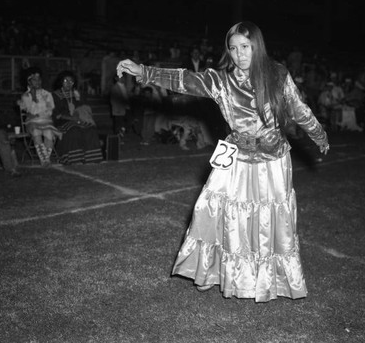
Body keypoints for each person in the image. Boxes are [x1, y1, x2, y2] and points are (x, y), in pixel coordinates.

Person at [117, 21, 329, 303]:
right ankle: (209, 270)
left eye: (245, 47)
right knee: (211, 209)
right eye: (233, 48)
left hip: (273, 159)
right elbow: (185, 80)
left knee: (266, 220)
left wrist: (318, 133)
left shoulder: (278, 74)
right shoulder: (221, 80)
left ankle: (263, 278)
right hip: (234, 153)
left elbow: (298, 109)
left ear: (257, 46)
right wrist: (144, 72)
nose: (239, 54)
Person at [52, 71, 103, 165]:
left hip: (77, 120)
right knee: (74, 130)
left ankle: (91, 158)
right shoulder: (55, 95)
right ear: (60, 82)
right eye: (65, 81)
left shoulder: (76, 94)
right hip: (62, 121)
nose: (68, 83)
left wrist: (78, 103)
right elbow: (56, 114)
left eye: (71, 81)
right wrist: (71, 118)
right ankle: (74, 159)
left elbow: (83, 108)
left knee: (90, 129)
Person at [17, 67, 62, 167]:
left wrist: (39, 114)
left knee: (49, 133)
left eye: (39, 79)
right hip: (32, 123)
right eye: (34, 80)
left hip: (46, 122)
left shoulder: (47, 94)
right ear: (29, 82)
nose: (37, 82)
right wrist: (33, 98)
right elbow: (31, 111)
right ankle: (45, 160)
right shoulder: (25, 96)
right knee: (36, 131)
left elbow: (50, 111)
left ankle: (45, 159)